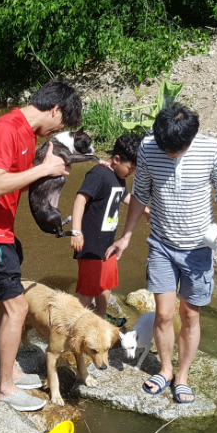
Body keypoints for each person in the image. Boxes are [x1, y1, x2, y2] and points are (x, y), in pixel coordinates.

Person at [0, 81, 82, 412]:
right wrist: (43, 169)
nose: (59, 130)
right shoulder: (7, 129)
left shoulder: (28, 135)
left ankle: (9, 368)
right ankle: (5, 388)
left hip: (1, 234)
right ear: (55, 110)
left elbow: (19, 181)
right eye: (62, 123)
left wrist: (51, 175)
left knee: (10, 303)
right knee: (19, 307)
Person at [105, 104, 217, 404]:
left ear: (190, 139)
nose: (168, 154)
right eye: (165, 148)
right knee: (163, 314)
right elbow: (139, 195)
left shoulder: (211, 149)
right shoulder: (150, 148)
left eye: (174, 150)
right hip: (162, 244)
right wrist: (126, 236)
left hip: (198, 249)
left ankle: (183, 376)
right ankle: (165, 370)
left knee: (190, 315)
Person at [70, 133, 147, 326]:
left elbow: (123, 196)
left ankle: (100, 321)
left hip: (109, 245)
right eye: (130, 168)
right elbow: (80, 199)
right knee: (87, 292)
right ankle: (72, 325)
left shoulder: (118, 175)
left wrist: (145, 210)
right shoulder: (99, 174)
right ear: (117, 159)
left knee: (106, 285)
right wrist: (76, 231)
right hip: (90, 244)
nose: (130, 173)